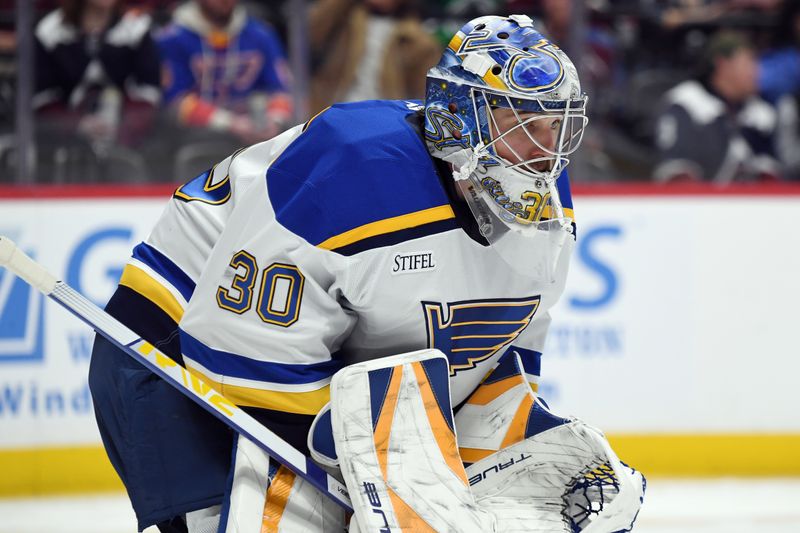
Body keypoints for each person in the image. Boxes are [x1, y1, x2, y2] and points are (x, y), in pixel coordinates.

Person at [89, 14, 641, 533]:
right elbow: (235, 348)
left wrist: (499, 448)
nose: (544, 153)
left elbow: (505, 348)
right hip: (175, 346)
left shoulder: (544, 198)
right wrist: (379, 469)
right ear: (459, 119)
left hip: (324, 363)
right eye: (520, 124)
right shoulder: (353, 172)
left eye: (556, 127)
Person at [33, 0, 161, 180]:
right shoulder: (50, 32)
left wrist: (124, 128)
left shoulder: (136, 28)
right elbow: (42, 100)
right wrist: (77, 125)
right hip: (63, 147)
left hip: (128, 144)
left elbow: (148, 94)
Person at [156, 0, 293, 148]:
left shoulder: (261, 35)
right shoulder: (172, 38)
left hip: (256, 139)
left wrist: (274, 120)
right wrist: (230, 124)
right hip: (194, 142)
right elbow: (174, 101)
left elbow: (281, 90)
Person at [653, 30, 782, 183]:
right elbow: (676, 174)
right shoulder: (685, 103)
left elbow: (770, 177)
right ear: (723, 64)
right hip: (698, 203)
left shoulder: (761, 112)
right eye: (748, 62)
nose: (756, 71)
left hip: (749, 204)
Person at [308, 0, 440, 113]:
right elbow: (309, 32)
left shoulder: (418, 40)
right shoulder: (345, 18)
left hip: (382, 123)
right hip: (332, 112)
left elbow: (425, 98)